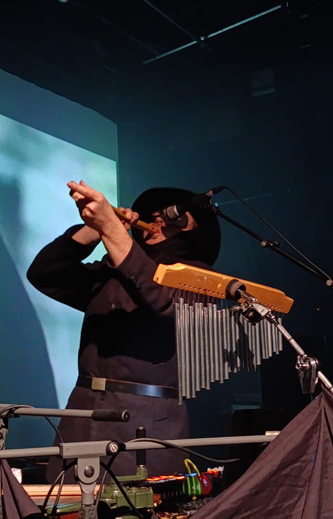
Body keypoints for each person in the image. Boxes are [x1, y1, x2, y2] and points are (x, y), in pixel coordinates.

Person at [27, 180, 221, 482]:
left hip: (146, 421)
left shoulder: (201, 276)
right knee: (65, 505)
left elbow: (163, 301)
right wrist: (94, 230)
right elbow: (45, 273)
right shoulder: (112, 271)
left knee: (140, 506)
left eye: (172, 215)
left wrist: (113, 232)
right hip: (83, 414)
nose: (158, 219)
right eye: (154, 214)